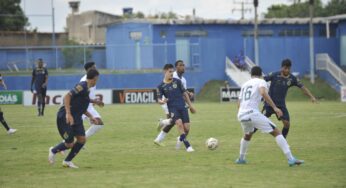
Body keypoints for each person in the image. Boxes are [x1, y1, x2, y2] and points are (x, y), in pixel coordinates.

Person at [235, 66, 304, 166]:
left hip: (241, 114)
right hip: (252, 113)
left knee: (247, 134)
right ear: (260, 74)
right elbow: (263, 93)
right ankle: (291, 159)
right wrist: (275, 108)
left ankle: (241, 159)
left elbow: (239, 102)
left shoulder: (245, 84)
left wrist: (242, 113)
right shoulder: (261, 81)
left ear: (251, 74)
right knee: (276, 132)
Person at [48, 69, 100, 168]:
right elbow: (67, 96)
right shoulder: (82, 86)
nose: (96, 82)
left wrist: (91, 117)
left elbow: (82, 106)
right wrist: (68, 113)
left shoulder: (87, 90)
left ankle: (67, 161)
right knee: (70, 144)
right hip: (65, 116)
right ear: (93, 79)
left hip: (76, 117)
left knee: (82, 140)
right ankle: (53, 150)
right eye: (96, 79)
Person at [262, 59, 317, 138]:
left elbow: (302, 87)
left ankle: (283, 140)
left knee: (287, 124)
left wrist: (311, 96)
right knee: (259, 122)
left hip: (281, 106)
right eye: (285, 68)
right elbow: (262, 80)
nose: (287, 70)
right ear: (281, 68)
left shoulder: (292, 78)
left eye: (288, 68)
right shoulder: (274, 75)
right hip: (269, 104)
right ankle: (248, 135)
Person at [156, 64, 196, 152]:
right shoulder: (160, 86)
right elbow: (159, 99)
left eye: (172, 72)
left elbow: (185, 94)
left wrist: (190, 106)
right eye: (169, 72)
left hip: (183, 107)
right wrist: (162, 102)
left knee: (187, 128)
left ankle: (165, 123)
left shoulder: (177, 81)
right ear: (165, 72)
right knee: (179, 123)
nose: (171, 73)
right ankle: (188, 147)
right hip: (172, 108)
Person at [80, 62, 105, 138]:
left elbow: (87, 94)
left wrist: (94, 101)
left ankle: (79, 141)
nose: (96, 69)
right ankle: (79, 141)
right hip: (83, 106)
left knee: (98, 123)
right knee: (98, 123)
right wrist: (96, 101)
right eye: (94, 67)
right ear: (89, 69)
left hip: (88, 105)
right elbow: (82, 96)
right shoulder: (84, 80)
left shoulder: (91, 78)